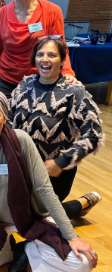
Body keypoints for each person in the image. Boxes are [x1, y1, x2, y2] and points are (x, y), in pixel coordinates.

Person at [0, 88, 97, 272]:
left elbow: (44, 189)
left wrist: (72, 236)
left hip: (29, 218)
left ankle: (26, 250)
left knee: (84, 262)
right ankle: (9, 250)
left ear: (4, 115)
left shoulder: (20, 139)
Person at [9, 37, 103, 219]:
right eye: (40, 54)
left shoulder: (74, 92)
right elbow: (8, 117)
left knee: (37, 221)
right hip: (21, 169)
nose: (45, 59)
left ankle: (83, 202)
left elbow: (94, 135)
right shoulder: (24, 85)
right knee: (10, 214)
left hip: (53, 174)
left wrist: (61, 162)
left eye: (52, 55)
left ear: (62, 60)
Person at [0, 0, 75, 98]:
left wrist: (67, 72)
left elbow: (61, 48)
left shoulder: (52, 11)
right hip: (5, 82)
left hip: (40, 80)